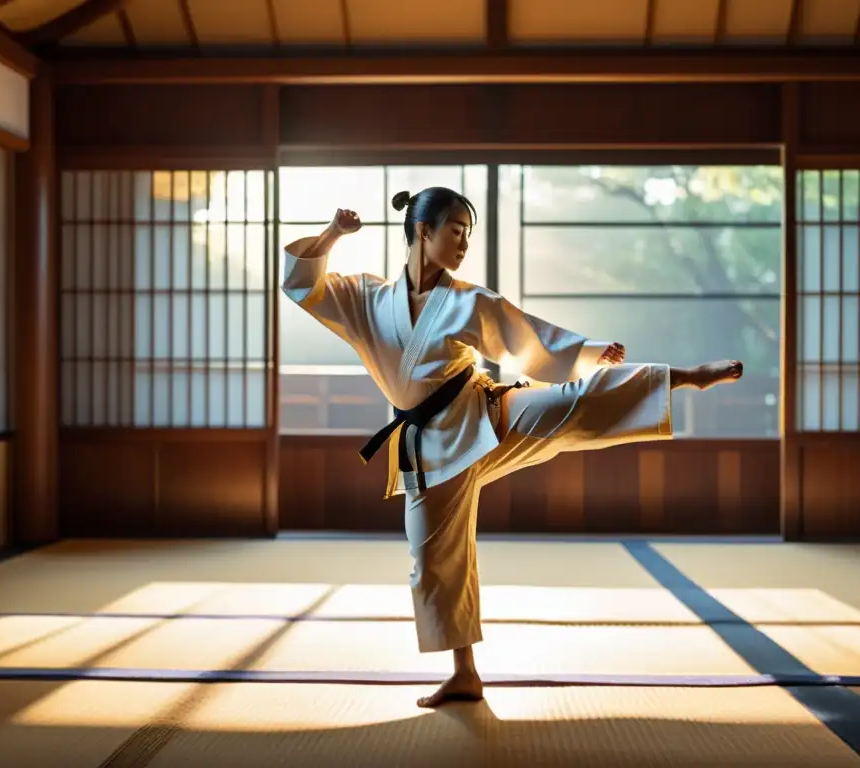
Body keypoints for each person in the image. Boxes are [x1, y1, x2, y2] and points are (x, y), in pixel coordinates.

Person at [281, 186, 743, 708]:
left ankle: (680, 377)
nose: (462, 243)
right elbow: (302, 285)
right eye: (455, 230)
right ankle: (464, 674)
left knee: (571, 404)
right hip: (430, 450)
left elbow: (524, 338)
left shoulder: (467, 301)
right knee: (433, 560)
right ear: (422, 231)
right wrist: (335, 234)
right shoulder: (367, 298)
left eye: (468, 233)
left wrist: (588, 353)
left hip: (486, 415)